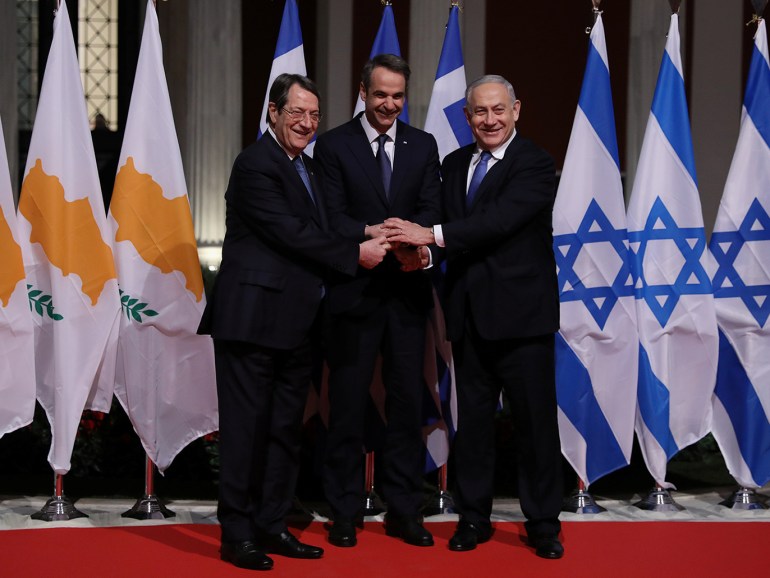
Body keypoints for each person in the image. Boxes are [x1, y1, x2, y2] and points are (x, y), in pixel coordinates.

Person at [198, 73, 390, 571]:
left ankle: (273, 524)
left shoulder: (306, 166)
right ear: (273, 113)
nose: (306, 123)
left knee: (284, 430)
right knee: (246, 432)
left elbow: (327, 223)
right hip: (252, 322)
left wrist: (374, 230)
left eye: (313, 115)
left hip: (299, 324)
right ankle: (237, 534)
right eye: (296, 113)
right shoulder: (255, 165)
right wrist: (355, 252)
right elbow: (292, 234)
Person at [383, 75, 564, 559]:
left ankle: (544, 523)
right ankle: (473, 518)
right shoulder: (455, 163)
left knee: (535, 426)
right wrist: (417, 256)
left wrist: (429, 236)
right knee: (475, 427)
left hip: (524, 321)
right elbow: (448, 240)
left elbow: (497, 222)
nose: (490, 120)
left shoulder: (536, 163)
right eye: (480, 112)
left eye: (498, 110)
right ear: (467, 118)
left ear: (516, 109)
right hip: (469, 319)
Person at [313, 54, 442, 548]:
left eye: (397, 96)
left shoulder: (422, 145)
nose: (389, 103)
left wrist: (415, 242)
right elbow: (329, 216)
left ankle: (404, 510)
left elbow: (432, 209)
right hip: (354, 294)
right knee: (346, 406)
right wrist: (372, 234)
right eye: (381, 94)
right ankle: (344, 512)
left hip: (407, 294)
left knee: (407, 405)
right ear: (363, 92)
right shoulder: (333, 146)